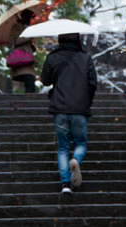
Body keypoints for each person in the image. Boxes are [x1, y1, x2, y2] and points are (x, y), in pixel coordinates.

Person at [40, 32, 97, 194]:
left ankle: (66, 184)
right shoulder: (85, 58)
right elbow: (93, 83)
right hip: (80, 108)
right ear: (78, 39)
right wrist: (87, 101)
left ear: (60, 40)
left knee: (63, 147)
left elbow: (45, 80)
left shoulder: (52, 57)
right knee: (80, 143)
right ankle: (76, 160)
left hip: (60, 107)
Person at [6, 9, 37, 93]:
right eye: (32, 18)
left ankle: (28, 103)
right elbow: (14, 41)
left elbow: (30, 49)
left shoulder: (30, 28)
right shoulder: (17, 27)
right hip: (21, 58)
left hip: (28, 59)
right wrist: (27, 37)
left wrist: (32, 43)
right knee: (29, 83)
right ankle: (28, 104)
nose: (33, 20)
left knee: (30, 84)